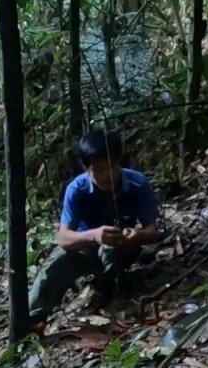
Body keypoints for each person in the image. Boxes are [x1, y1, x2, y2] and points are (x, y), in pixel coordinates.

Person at [28, 129, 159, 327]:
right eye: (99, 171)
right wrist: (94, 235)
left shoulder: (138, 184)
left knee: (111, 249)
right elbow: (63, 238)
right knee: (56, 263)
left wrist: (137, 235)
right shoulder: (77, 190)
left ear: (119, 161)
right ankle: (32, 320)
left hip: (122, 247)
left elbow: (152, 231)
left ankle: (116, 290)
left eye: (112, 167)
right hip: (87, 248)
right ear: (85, 167)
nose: (107, 176)